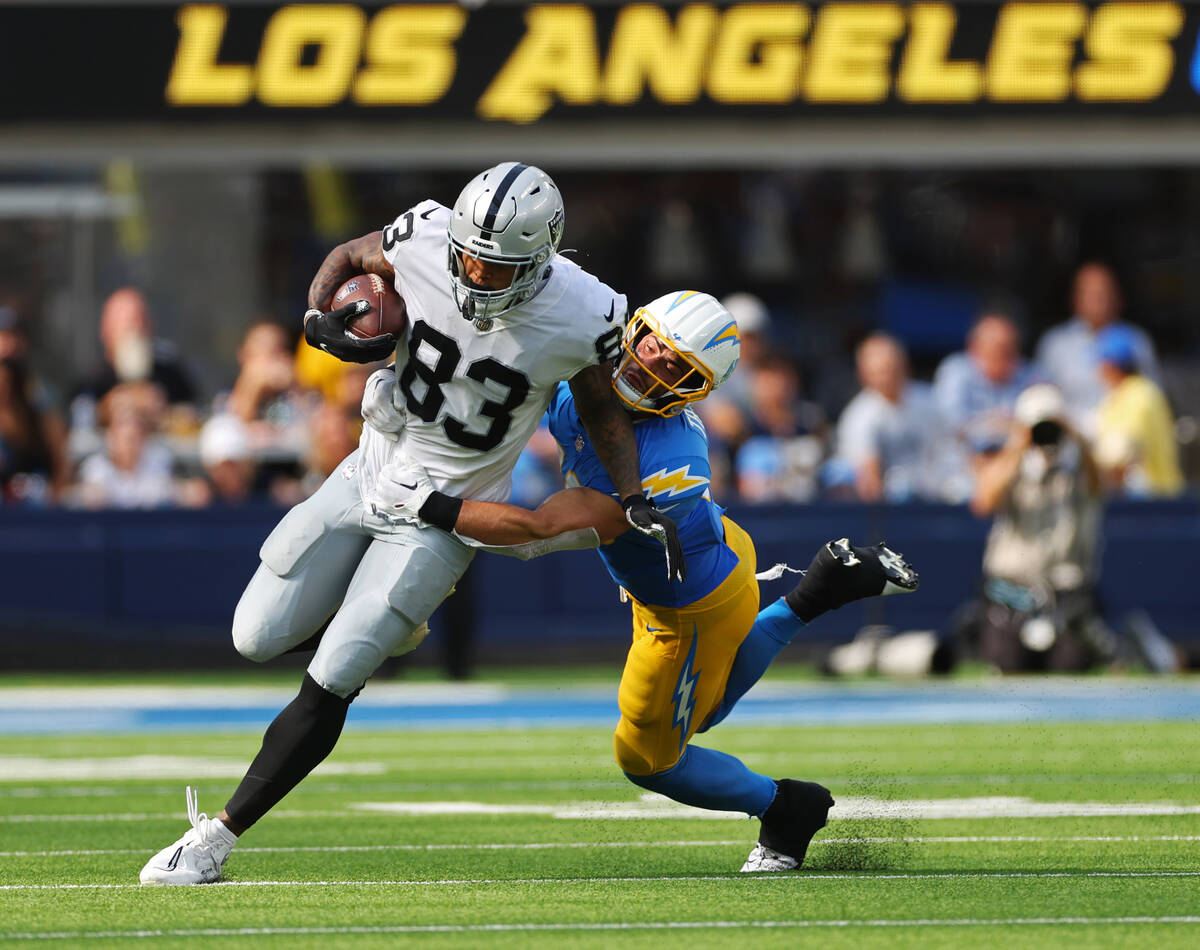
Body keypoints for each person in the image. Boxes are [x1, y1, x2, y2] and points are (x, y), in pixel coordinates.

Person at [139, 161, 684, 884]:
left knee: (335, 674)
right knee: (255, 636)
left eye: (493, 267)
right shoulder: (427, 235)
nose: (472, 275)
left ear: (540, 257)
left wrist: (632, 489)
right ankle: (387, 607)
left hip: (440, 515)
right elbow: (348, 258)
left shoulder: (585, 311)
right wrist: (319, 317)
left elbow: (599, 409)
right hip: (368, 467)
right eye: (467, 257)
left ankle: (216, 838)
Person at [372, 290, 919, 872]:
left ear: (693, 388)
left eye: (676, 366)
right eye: (656, 342)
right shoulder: (584, 364)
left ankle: (787, 807)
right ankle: (819, 590)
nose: (652, 361)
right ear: (636, 327)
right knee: (695, 712)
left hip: (689, 609)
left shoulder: (666, 465)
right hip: (716, 562)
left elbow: (534, 532)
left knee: (648, 757)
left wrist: (422, 503)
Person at [957, 383, 1113, 672]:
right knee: (1007, 662)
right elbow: (983, 502)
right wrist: (1019, 443)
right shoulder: (1013, 465)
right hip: (1012, 592)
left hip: (1065, 593)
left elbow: (1101, 483)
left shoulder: (1077, 469)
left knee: (1070, 664)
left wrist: (1072, 434)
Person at [1035, 262, 1161, 429]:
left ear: (1118, 297)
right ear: (1075, 298)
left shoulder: (1136, 340)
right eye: (1090, 294)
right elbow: (1042, 399)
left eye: (1104, 293)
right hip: (1071, 438)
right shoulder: (1055, 344)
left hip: (1124, 438)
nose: (1098, 300)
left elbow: (1151, 397)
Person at [830, 333, 943, 502]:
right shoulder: (858, 417)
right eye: (880, 372)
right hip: (890, 509)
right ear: (863, 374)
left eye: (892, 368)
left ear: (905, 366)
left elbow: (948, 450)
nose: (887, 378)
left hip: (936, 499)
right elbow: (868, 478)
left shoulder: (929, 401)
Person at [1092, 325, 1184, 497]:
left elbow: (1121, 451)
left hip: (1156, 500)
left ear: (1110, 365)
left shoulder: (1140, 395)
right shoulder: (1122, 395)